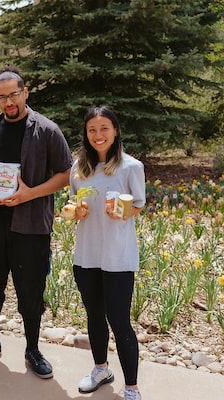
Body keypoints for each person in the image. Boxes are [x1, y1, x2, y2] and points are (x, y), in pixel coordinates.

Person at [0, 67, 72, 379]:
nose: (8, 101)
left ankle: (33, 348)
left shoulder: (47, 131)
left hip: (31, 226)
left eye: (13, 94)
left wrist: (30, 194)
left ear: (25, 93)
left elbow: (65, 174)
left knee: (30, 291)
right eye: (2, 96)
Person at [69, 106, 145, 400]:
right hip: (87, 254)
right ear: (86, 134)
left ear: (115, 131)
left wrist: (124, 212)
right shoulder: (79, 169)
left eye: (104, 129)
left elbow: (138, 204)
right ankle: (101, 369)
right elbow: (78, 202)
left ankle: (132, 387)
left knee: (119, 319)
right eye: (92, 130)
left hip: (117, 256)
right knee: (94, 316)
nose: (98, 135)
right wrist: (76, 211)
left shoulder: (130, 167)